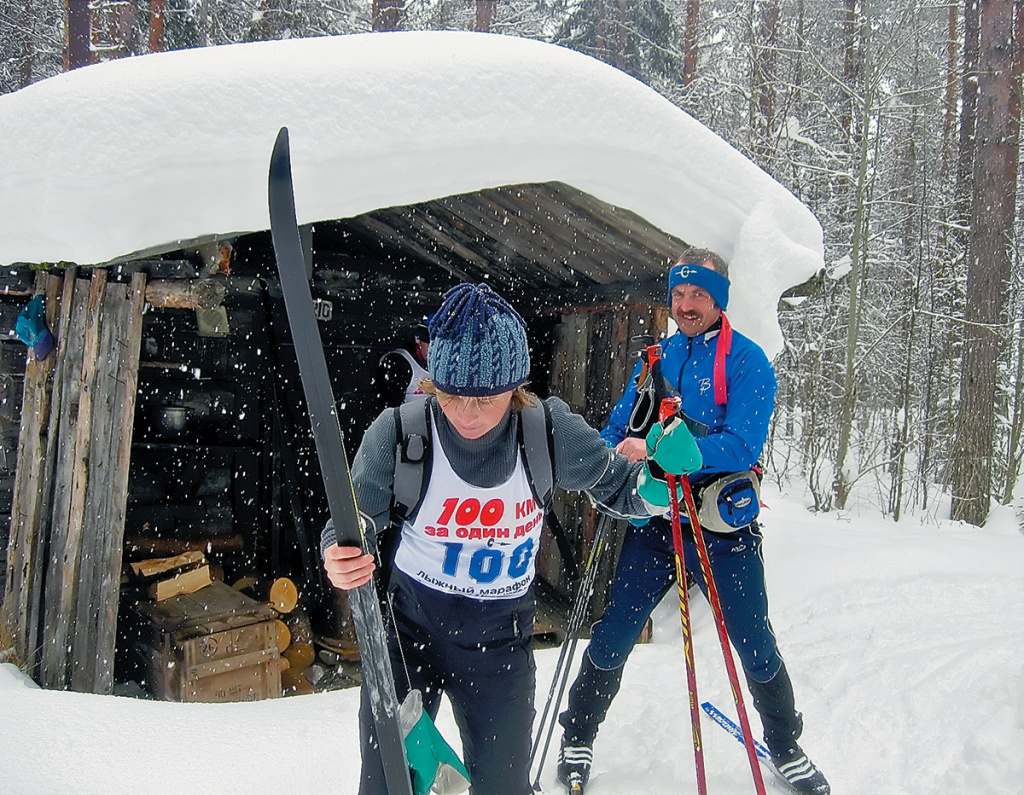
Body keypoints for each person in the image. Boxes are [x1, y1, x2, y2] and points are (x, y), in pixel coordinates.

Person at [321, 282, 703, 795]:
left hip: (499, 643)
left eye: (485, 397)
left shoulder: (546, 432)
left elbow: (620, 489)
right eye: (451, 394)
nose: (467, 413)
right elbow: (353, 514)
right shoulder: (400, 432)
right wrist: (340, 550)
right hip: (407, 636)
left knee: (503, 785)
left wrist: (658, 484)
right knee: (389, 783)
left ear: (515, 386)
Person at [556, 249, 830, 795]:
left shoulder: (748, 362)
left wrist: (669, 449)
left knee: (753, 641)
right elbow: (619, 426)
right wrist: (615, 460)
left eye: (698, 295)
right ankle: (578, 736)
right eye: (678, 295)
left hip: (722, 527)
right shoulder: (657, 357)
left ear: (718, 299)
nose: (685, 305)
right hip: (658, 521)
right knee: (613, 635)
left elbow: (743, 444)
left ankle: (786, 745)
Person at [376, 321, 431, 407]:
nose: (435, 350)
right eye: (430, 343)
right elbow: (389, 408)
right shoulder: (400, 363)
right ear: (418, 339)